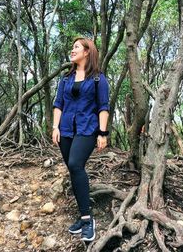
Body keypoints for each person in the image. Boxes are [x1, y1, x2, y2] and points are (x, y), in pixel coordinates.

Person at [52, 37, 110, 242]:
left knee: (76, 164)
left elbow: (103, 106)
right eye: (72, 46)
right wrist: (55, 127)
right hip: (66, 129)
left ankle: (87, 219)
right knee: (73, 170)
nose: (72, 50)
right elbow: (58, 104)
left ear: (87, 52)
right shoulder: (65, 80)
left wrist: (103, 133)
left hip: (87, 129)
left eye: (76, 47)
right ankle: (83, 214)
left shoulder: (97, 79)